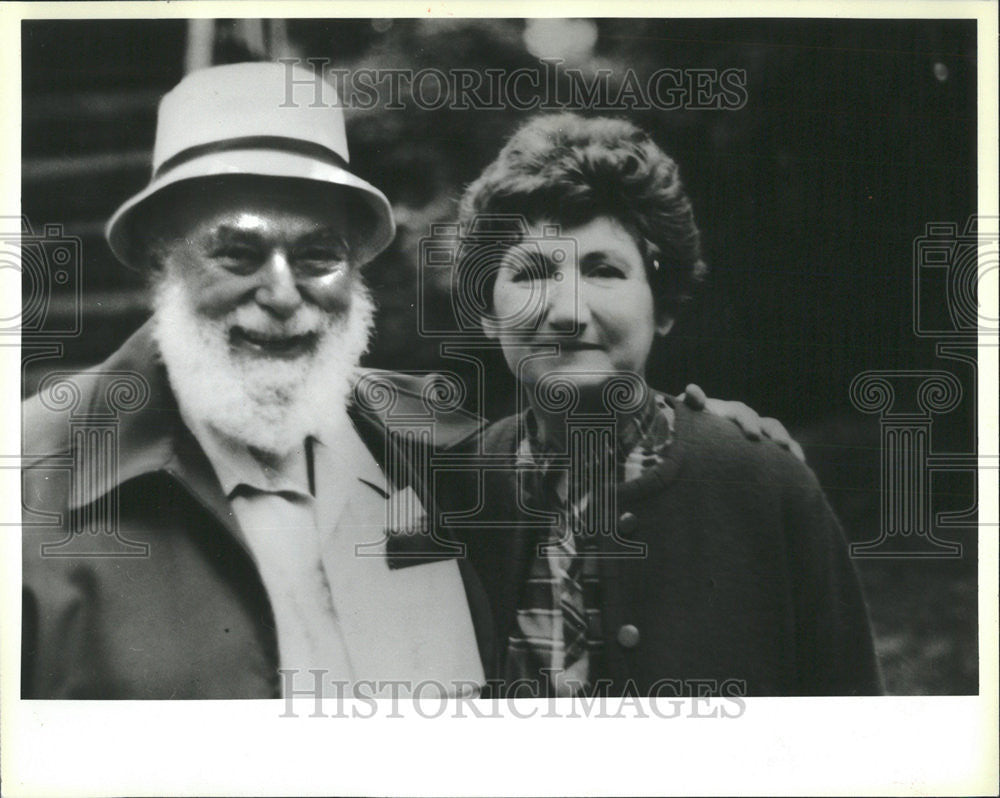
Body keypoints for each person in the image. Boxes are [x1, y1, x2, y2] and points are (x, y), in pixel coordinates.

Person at [21, 63, 796, 700]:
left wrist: (709, 437)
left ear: (356, 270)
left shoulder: (421, 439)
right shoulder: (30, 482)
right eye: (238, 253)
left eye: (320, 254)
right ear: (163, 259)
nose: (285, 293)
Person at [450, 112, 883, 697]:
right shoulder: (447, 490)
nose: (566, 312)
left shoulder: (768, 485)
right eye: (530, 273)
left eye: (604, 269)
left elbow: (852, 728)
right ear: (487, 312)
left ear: (665, 306)